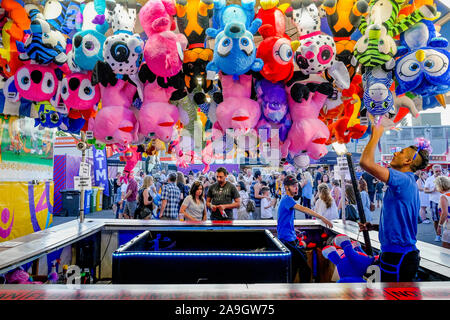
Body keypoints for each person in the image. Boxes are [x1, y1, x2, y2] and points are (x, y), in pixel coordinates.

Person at [359, 120, 429, 282]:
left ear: (408, 162)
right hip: (394, 255)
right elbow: (401, 220)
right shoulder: (407, 182)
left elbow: (365, 163)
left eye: (401, 152)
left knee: (375, 292)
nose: (396, 153)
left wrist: (376, 133)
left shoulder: (402, 179)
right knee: (369, 288)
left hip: (398, 257)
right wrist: (376, 227)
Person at [277, 175, 333, 283]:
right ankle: (304, 293)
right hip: (287, 240)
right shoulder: (287, 200)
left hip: (289, 237)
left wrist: (292, 229)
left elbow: (283, 220)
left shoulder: (286, 200)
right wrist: (322, 217)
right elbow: (304, 209)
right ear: (286, 187)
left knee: (294, 268)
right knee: (304, 268)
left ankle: (291, 292)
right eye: (293, 186)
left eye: (296, 185)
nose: (296, 188)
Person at [424, 164, 443, 241]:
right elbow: (425, 190)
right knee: (436, 220)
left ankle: (445, 235)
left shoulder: (445, 178)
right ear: (433, 171)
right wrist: (432, 190)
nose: (438, 172)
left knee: (447, 219)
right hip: (434, 201)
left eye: (440, 171)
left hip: (445, 201)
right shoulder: (429, 179)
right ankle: (438, 235)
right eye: (437, 171)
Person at [435, 176, 450, 249]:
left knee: (446, 251)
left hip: (448, 227)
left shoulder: (444, 197)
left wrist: (439, 226)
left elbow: (444, 213)